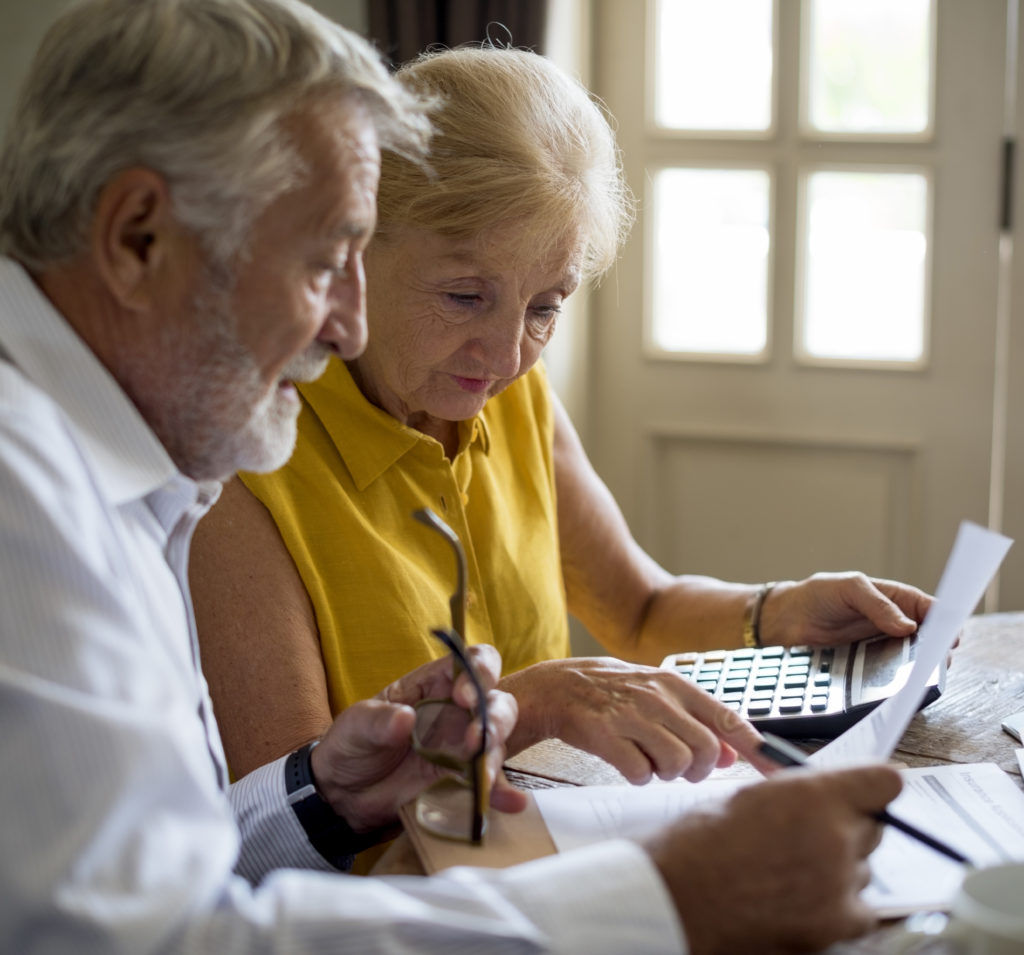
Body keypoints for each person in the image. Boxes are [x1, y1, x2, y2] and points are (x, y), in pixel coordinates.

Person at [0, 1, 905, 952]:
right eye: (321, 263)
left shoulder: (125, 473)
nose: (346, 327)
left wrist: (323, 792)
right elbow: (168, 940)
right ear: (138, 237)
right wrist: (668, 901)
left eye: (546, 304)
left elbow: (160, 863)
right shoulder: (31, 499)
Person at [189, 45, 935, 790]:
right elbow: (287, 811)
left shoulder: (509, 393)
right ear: (355, 247)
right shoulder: (249, 459)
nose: (510, 354)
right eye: (464, 296)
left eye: (546, 306)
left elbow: (640, 610)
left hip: (550, 843)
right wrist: (527, 707)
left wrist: (781, 613)